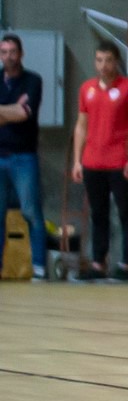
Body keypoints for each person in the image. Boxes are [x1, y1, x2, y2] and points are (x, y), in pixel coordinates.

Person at [70, 42, 128, 281]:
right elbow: (81, 126)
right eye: (99, 60)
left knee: (125, 212)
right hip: (92, 161)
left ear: (116, 62)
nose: (104, 65)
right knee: (98, 213)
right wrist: (77, 160)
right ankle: (98, 263)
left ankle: (126, 264)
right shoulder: (87, 89)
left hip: (119, 161)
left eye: (109, 60)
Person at [0, 32, 47, 280]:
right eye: (4, 52)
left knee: (31, 211)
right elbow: (16, 111)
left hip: (24, 157)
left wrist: (12, 112)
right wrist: (13, 109)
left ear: (21, 54)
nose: (9, 57)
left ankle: (39, 267)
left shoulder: (33, 81)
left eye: (13, 52)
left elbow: (24, 113)